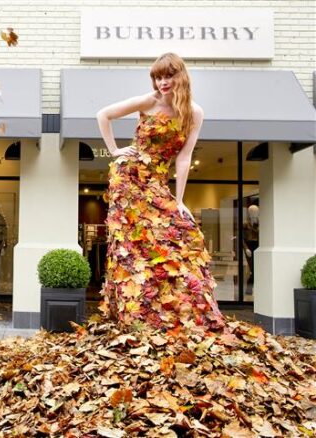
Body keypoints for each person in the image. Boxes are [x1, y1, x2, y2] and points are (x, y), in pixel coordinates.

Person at [96, 52, 225, 331]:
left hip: (157, 181)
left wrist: (179, 201)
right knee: (132, 248)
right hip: (129, 178)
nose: (162, 82)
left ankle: (179, 314)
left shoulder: (194, 112)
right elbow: (103, 115)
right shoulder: (149, 101)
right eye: (157, 77)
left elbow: (184, 157)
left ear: (181, 76)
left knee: (182, 234)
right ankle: (134, 318)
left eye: (168, 76)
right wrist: (115, 150)